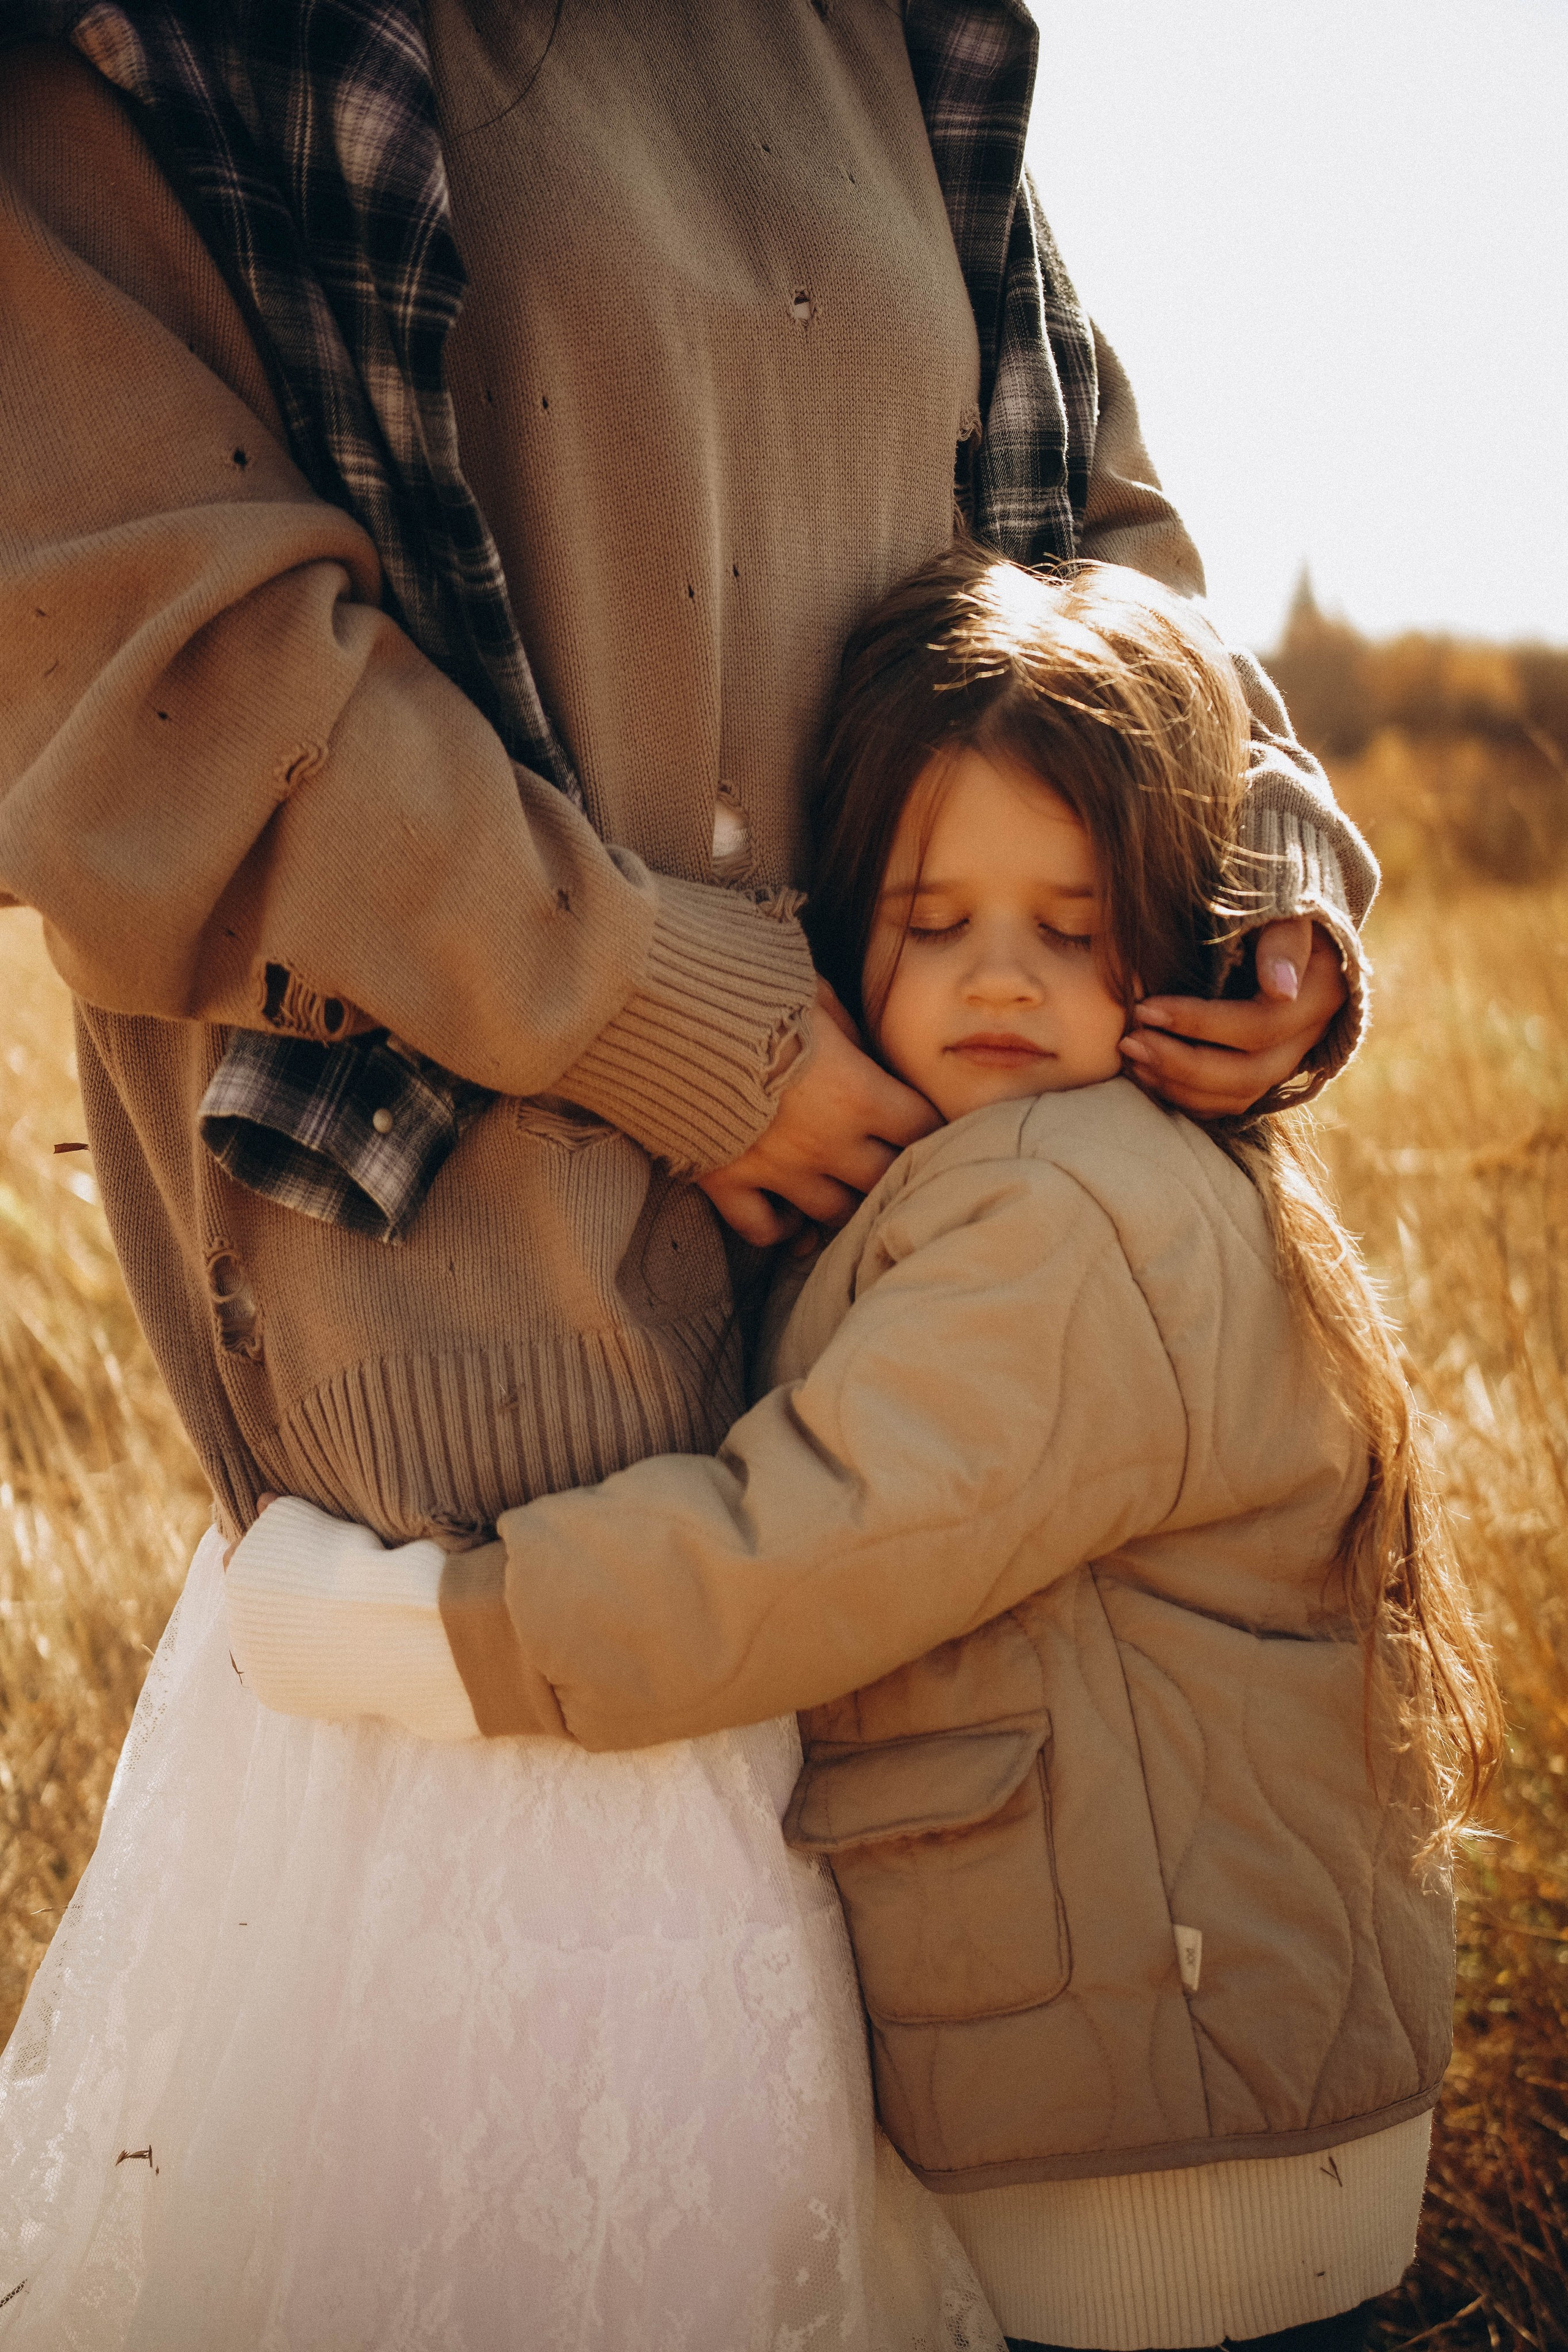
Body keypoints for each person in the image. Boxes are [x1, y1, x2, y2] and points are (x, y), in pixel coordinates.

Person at [0, 0, 1374, 2340]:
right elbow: (131, 655)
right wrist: (649, 1010)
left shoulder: (880, 30)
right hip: (503, 1531)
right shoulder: (166, 52)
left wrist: (1259, 884)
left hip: (965, 1606)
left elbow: (1103, 563)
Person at [223, 551, 1502, 2352]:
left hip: (1165, 2151)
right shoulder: (1048, 1183)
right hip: (1190, 2100)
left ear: (1175, 930)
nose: (999, 979)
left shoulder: (1062, 1214)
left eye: (1071, 929)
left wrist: (432, 1633)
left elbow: (797, 1553)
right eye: (932, 917)